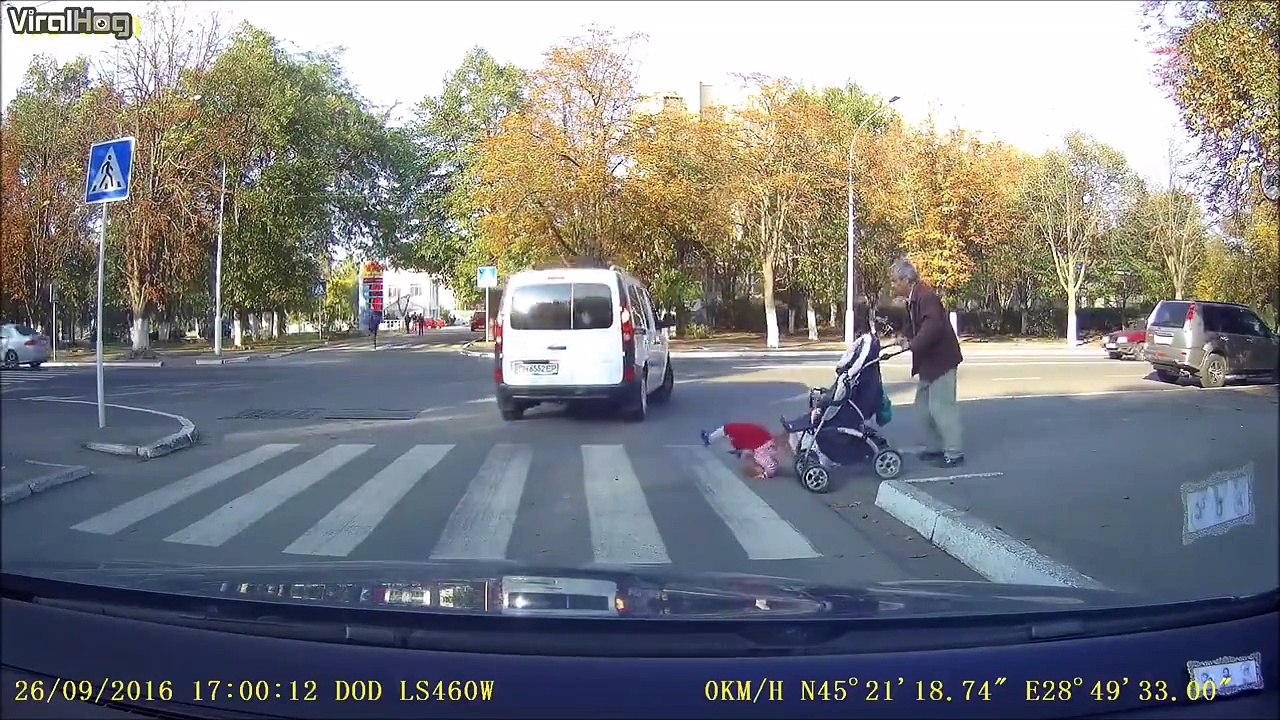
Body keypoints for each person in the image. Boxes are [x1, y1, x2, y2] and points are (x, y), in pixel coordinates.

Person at [889, 257, 965, 467]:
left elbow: (932, 327)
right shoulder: (915, 298)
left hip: (941, 361)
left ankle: (954, 452)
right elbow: (914, 324)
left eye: (895, 281)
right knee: (923, 406)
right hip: (929, 363)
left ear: (906, 280)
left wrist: (912, 345)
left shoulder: (926, 297)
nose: (893, 286)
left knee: (941, 407)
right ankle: (935, 447)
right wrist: (903, 336)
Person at [699, 423, 792, 480]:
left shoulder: (760, 453)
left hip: (760, 439)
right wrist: (765, 474)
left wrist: (764, 475)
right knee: (731, 430)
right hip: (758, 441)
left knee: (730, 430)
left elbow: (771, 467)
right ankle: (710, 438)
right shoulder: (760, 453)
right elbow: (771, 467)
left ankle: (710, 438)